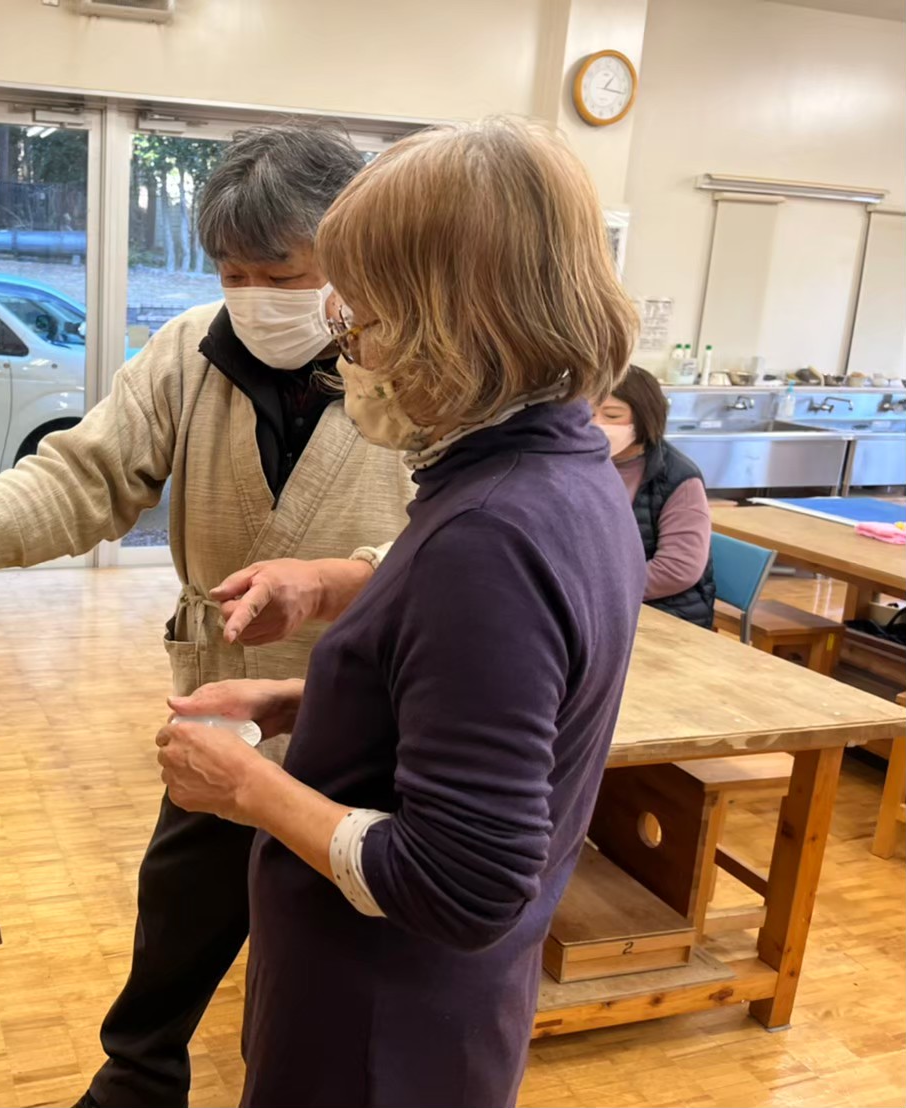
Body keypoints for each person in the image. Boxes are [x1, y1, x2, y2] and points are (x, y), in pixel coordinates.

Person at [0, 123, 413, 1108]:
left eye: (280, 273)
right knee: (176, 920)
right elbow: (88, 472)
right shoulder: (188, 352)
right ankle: (137, 1082)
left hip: (362, 707)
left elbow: (446, 542)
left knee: (325, 949)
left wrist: (335, 578)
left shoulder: (412, 366)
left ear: (348, 255)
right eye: (231, 272)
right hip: (219, 700)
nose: (254, 294)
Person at [156, 118, 646, 1108]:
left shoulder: (488, 534)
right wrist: (307, 700)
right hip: (413, 1015)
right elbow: (474, 702)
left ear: (452, 321)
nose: (351, 353)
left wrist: (247, 785)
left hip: (379, 1034)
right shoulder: (564, 469)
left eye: (362, 323)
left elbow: (461, 883)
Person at [594, 365, 716, 627]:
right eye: (588, 414)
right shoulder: (582, 464)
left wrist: (600, 593)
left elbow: (678, 569)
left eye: (612, 415)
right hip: (599, 606)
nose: (597, 425)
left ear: (644, 416)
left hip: (664, 611)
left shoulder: (677, 478)